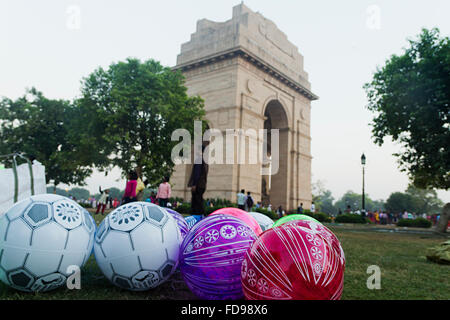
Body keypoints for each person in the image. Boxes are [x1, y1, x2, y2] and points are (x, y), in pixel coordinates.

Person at [187, 142, 209, 216]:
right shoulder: (205, 161)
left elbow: (197, 173)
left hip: (197, 185)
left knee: (196, 204)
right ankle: (202, 217)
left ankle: (198, 218)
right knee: (199, 202)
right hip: (202, 185)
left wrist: (194, 184)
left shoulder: (199, 160)